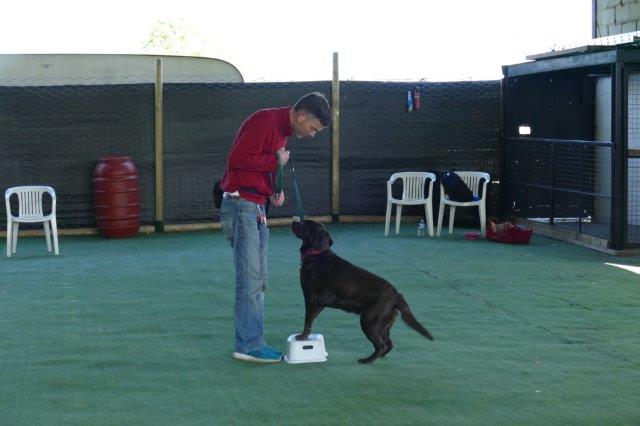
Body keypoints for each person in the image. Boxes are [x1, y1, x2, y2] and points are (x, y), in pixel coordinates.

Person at [219, 92, 332, 363]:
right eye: (313, 128)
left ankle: (251, 342)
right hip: (242, 205)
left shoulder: (280, 130)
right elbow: (237, 159)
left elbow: (253, 164)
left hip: (255, 206)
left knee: (259, 279)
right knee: (250, 280)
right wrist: (275, 161)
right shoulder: (265, 121)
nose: (312, 134)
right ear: (301, 116)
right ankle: (248, 346)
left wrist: (272, 190)